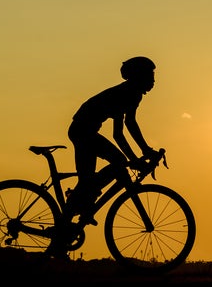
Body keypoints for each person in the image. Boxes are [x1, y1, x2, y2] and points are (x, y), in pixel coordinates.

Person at [65, 56, 161, 226]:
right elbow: (120, 134)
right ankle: (73, 212)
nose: (153, 80)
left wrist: (145, 151)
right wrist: (135, 158)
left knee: (87, 181)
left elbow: (129, 124)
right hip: (82, 131)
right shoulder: (126, 93)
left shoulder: (133, 94)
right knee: (117, 162)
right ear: (139, 76)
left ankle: (77, 210)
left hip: (84, 131)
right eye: (150, 75)